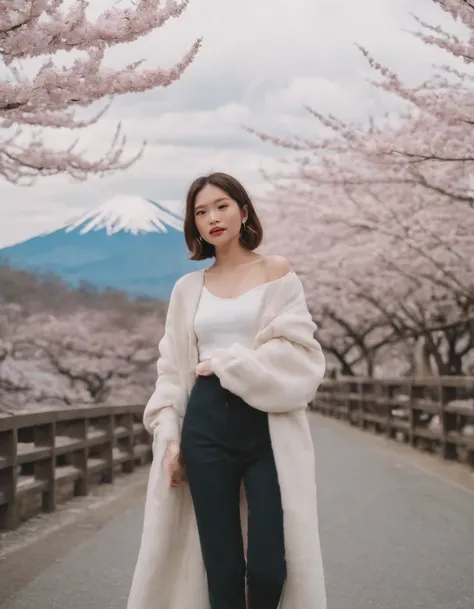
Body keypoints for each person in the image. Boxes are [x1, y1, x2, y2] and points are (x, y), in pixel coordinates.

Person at [126, 172, 327, 609]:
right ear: (193, 225)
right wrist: (171, 436)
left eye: (221, 206)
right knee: (221, 565)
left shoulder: (276, 271)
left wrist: (228, 362)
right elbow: (172, 371)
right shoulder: (187, 289)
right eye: (200, 212)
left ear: (243, 210)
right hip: (207, 422)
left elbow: (298, 352)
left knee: (271, 566)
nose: (212, 218)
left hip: (266, 423)